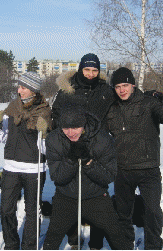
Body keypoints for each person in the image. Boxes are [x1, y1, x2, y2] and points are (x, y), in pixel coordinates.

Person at [106, 67, 163, 249]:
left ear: (133, 85)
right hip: (122, 169)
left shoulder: (149, 103)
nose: (122, 90)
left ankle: (153, 246)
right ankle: (125, 245)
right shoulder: (111, 109)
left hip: (148, 168)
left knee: (153, 212)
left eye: (125, 85)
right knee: (123, 213)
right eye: (117, 87)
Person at [43, 106, 131, 250]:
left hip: (95, 196)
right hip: (66, 196)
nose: (70, 133)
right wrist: (71, 159)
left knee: (117, 236)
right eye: (65, 128)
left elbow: (108, 176)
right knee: (52, 237)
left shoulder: (102, 139)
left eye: (75, 127)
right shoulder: (54, 139)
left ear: (83, 125)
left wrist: (88, 162)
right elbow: (58, 177)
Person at [51, 53, 115, 249]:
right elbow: (55, 115)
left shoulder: (105, 90)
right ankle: (73, 237)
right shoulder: (67, 90)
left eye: (95, 70)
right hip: (70, 145)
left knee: (97, 194)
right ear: (80, 69)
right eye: (87, 69)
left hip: (95, 147)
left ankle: (96, 241)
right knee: (68, 192)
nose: (90, 74)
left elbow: (122, 103)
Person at [0, 72, 52, 250]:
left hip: (34, 168)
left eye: (23, 87)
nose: (19, 91)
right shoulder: (12, 108)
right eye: (19, 86)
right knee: (6, 209)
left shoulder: (44, 111)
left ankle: (29, 247)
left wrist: (44, 134)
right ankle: (11, 245)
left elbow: (46, 149)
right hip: (11, 166)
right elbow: (3, 138)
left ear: (33, 89)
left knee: (32, 212)